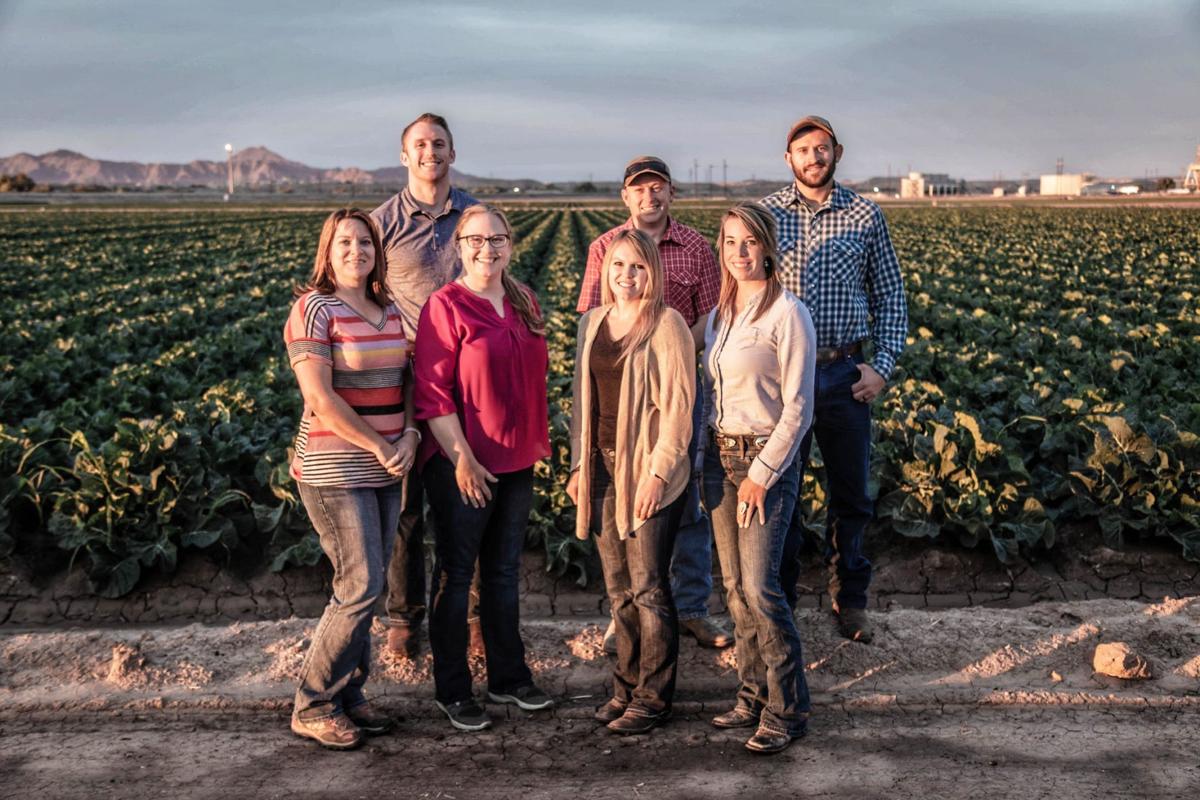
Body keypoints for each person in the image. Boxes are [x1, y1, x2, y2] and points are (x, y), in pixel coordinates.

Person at [760, 116, 908, 643]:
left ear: (837, 152)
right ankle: (782, 598)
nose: (814, 157)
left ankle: (850, 599)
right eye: (803, 150)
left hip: (845, 371)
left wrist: (882, 366)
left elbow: (891, 294)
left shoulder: (865, 215)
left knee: (850, 495)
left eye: (822, 148)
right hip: (782, 376)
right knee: (782, 491)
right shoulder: (767, 215)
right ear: (789, 159)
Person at [576, 156, 730, 653]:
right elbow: (594, 319)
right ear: (626, 197)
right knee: (618, 496)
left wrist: (674, 349)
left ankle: (689, 608)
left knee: (682, 497)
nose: (649, 197)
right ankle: (628, 609)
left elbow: (709, 314)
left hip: (679, 388)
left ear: (671, 194)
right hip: (619, 389)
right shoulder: (604, 248)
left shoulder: (695, 248)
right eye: (639, 189)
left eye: (658, 188)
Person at [414, 204, 554, 732]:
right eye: (474, 239)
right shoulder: (445, 306)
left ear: (510, 244)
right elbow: (432, 395)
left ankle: (508, 677)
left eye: (496, 239)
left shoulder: (523, 300)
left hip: (516, 459)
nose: (486, 248)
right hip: (463, 463)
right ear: (459, 246)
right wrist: (462, 460)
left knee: (502, 572)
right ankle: (451, 688)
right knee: (455, 575)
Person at [283, 208, 418, 749]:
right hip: (334, 467)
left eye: (365, 241)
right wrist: (382, 444)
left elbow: (409, 380)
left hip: (385, 464)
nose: (356, 250)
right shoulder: (314, 309)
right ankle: (312, 702)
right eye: (345, 242)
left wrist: (408, 434)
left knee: (370, 584)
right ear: (328, 249)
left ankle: (348, 693)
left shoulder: (389, 309)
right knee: (359, 585)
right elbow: (319, 397)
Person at [566, 229, 695, 735]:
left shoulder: (668, 324)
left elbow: (679, 409)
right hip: (601, 467)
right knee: (618, 590)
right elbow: (582, 401)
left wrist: (658, 474)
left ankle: (653, 697)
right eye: (618, 266)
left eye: (637, 267)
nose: (626, 275)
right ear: (605, 270)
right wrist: (578, 466)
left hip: (647, 469)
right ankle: (624, 685)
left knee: (649, 588)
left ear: (652, 273)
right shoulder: (593, 322)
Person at [702, 202, 816, 754]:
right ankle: (751, 694)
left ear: (768, 247)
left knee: (761, 587)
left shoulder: (787, 314)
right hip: (720, 458)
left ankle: (788, 708)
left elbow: (798, 409)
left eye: (748, 242)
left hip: (764, 461)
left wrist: (762, 475)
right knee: (732, 589)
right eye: (729, 242)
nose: (739, 252)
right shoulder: (721, 314)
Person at [370, 113, 481, 660]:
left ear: (452, 153)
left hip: (470, 374)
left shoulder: (474, 217)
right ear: (404, 155)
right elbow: (365, 298)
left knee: (472, 492)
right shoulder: (382, 224)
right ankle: (404, 615)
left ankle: (475, 613)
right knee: (407, 502)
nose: (429, 152)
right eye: (420, 144)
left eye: (439, 143)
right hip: (407, 375)